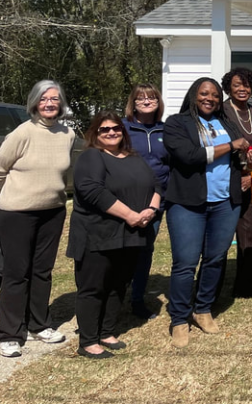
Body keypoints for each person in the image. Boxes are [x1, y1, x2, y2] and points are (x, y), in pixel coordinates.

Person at [163, 77, 252, 348]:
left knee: (215, 258)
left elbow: (237, 158)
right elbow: (190, 156)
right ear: (194, 95)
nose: (210, 98)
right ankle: (179, 318)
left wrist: (248, 160)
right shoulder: (176, 123)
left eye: (215, 95)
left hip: (225, 202)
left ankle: (202, 309)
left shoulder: (224, 123)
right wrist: (232, 146)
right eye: (204, 93)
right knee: (185, 262)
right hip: (187, 203)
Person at [68, 111, 161, 359]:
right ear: (95, 133)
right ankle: (88, 341)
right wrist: (130, 215)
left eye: (116, 128)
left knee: (118, 284)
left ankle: (107, 332)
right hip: (98, 233)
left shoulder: (133, 157)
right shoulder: (92, 156)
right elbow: (92, 191)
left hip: (131, 233)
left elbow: (156, 185)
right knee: (93, 287)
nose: (111, 132)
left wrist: (151, 209)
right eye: (104, 129)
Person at [0, 80, 77, 358]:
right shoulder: (23, 132)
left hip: (53, 211)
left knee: (42, 271)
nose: (49, 103)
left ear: (61, 103)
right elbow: (1, 167)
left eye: (54, 99)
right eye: (44, 99)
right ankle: (9, 333)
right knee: (15, 274)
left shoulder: (67, 134)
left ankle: (39, 324)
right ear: (34, 103)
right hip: (17, 213)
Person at [221, 67, 252, 298]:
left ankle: (244, 284)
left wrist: (251, 172)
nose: (242, 89)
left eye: (247, 85)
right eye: (237, 85)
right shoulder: (220, 112)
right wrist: (240, 173)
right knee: (220, 234)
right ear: (229, 87)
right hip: (226, 178)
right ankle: (212, 285)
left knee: (249, 232)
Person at [123, 83, 167, 320]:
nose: (147, 102)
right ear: (133, 102)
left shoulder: (165, 130)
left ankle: (137, 299)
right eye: (141, 98)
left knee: (144, 250)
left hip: (158, 201)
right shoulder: (122, 128)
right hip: (127, 200)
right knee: (122, 251)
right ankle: (115, 296)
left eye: (152, 98)